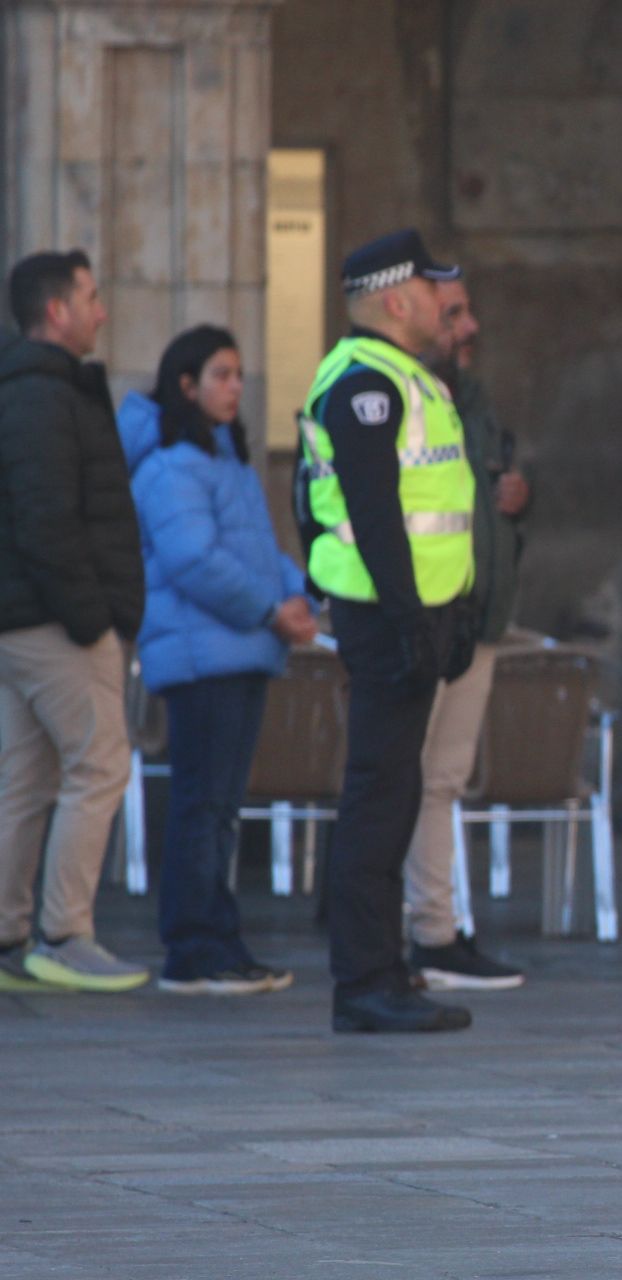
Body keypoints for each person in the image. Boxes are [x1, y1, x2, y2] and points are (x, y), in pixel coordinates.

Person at [297, 229, 478, 1033]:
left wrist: (458, 612)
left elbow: (435, 511)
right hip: (385, 617)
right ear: (395, 298)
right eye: (436, 289)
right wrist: (411, 622)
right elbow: (373, 517)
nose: (449, 304)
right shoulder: (363, 381)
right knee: (378, 795)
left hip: (417, 615)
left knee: (396, 791)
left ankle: (384, 971)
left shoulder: (411, 378)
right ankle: (362, 982)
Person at [118, 325, 315, 995]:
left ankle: (218, 938)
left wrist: (298, 592)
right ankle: (193, 948)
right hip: (206, 655)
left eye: (237, 374)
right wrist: (270, 610)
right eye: (221, 375)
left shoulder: (223, 459)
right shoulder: (171, 466)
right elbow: (194, 560)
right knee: (203, 804)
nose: (235, 387)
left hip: (238, 648)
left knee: (220, 805)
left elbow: (258, 551)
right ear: (186, 385)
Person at [0, 249, 148, 993]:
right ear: (55, 311)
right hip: (55, 623)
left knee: (27, 776)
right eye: (90, 296)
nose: (101, 310)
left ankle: (8, 936)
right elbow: (47, 520)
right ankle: (64, 933)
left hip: (23, 620)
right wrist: (92, 619)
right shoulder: (42, 398)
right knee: (100, 763)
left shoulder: (37, 391)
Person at [399, 278, 530, 992]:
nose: (470, 326)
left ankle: (435, 930)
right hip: (420, 618)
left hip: (475, 619)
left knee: (441, 781)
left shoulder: (472, 401)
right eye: (454, 314)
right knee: (399, 777)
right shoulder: (394, 393)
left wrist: (515, 499)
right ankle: (408, 931)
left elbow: (480, 500)